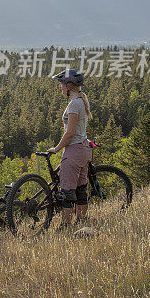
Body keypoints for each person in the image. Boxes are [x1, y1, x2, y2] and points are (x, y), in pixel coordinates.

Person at [47, 69, 93, 228]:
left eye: (61, 84)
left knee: (67, 192)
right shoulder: (81, 100)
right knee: (81, 189)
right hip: (84, 150)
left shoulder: (74, 104)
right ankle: (81, 221)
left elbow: (70, 133)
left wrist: (57, 148)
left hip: (73, 152)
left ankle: (66, 226)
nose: (60, 87)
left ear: (69, 86)